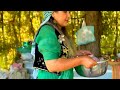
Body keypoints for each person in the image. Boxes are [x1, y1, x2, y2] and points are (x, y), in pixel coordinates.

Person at [33, 11, 97, 79]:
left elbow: (60, 54)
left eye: (69, 12)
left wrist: (75, 53)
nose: (69, 16)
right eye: (65, 11)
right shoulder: (47, 31)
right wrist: (81, 60)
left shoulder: (58, 30)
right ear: (53, 13)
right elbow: (52, 64)